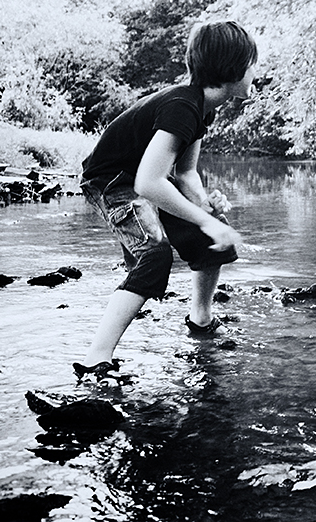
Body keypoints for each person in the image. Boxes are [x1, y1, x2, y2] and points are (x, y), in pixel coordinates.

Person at [74, 20, 258, 383]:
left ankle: (201, 320)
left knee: (209, 235)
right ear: (232, 68)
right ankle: (97, 357)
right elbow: (147, 181)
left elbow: (186, 173)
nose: (256, 72)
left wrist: (206, 208)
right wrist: (206, 219)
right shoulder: (182, 106)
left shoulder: (204, 108)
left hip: (138, 177)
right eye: (252, 63)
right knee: (154, 253)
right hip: (111, 181)